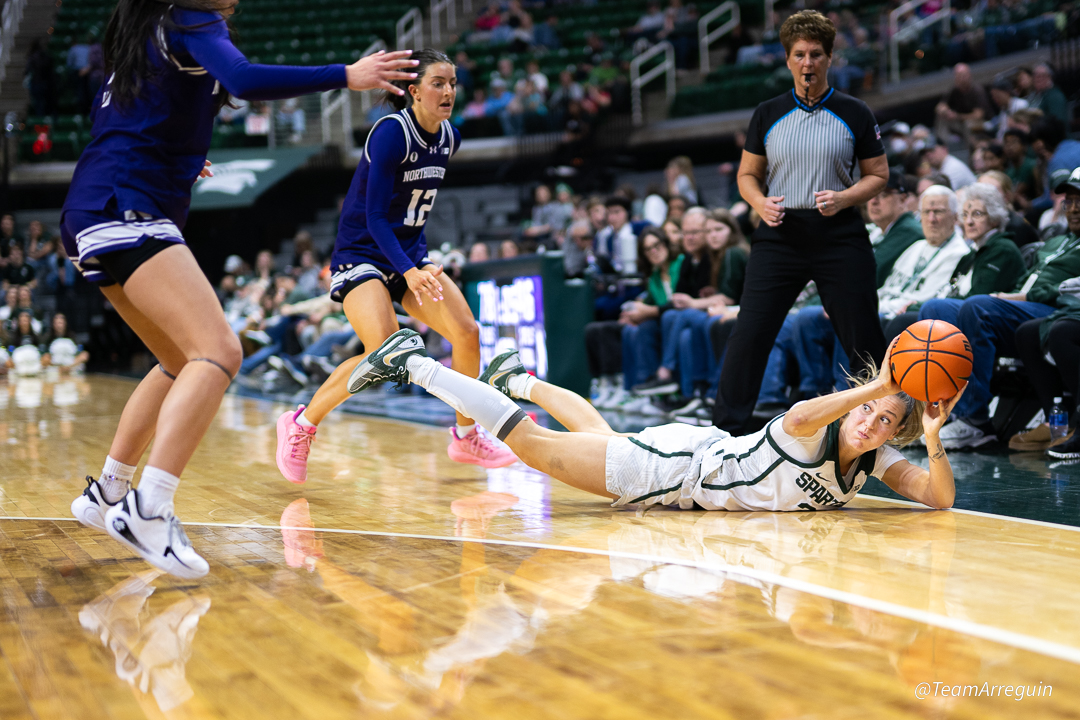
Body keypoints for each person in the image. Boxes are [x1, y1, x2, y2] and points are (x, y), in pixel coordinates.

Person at [63, 0, 418, 580]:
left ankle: (108, 493)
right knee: (221, 352)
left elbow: (136, 121)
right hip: (129, 206)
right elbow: (245, 80)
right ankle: (148, 508)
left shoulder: (143, 33)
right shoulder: (186, 17)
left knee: (178, 360)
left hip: (90, 209)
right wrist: (346, 76)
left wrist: (182, 160)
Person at [349, 330, 961, 511]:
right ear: (855, 402)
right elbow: (800, 413)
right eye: (869, 411)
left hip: (698, 452)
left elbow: (937, 498)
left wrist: (931, 440)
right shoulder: (819, 424)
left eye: (886, 422)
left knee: (597, 438)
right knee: (535, 448)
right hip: (679, 469)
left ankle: (517, 379)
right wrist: (882, 384)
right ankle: (416, 365)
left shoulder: (875, 458)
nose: (872, 425)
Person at [276, 49, 517, 486]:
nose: (448, 92)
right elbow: (374, 218)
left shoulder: (449, 137)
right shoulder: (391, 133)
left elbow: (411, 211)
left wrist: (414, 262)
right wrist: (409, 270)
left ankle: (466, 435)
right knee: (382, 352)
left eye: (453, 83)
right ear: (414, 91)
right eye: (438, 83)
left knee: (467, 332)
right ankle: (301, 424)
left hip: (409, 255)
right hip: (363, 253)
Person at [713, 10, 889, 436]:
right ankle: (724, 432)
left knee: (863, 335)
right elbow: (747, 176)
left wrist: (844, 197)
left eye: (815, 54)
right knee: (750, 332)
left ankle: (886, 425)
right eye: (798, 55)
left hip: (839, 234)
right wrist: (759, 204)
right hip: (780, 236)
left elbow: (879, 175)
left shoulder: (855, 111)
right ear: (787, 59)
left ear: (830, 58)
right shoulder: (767, 113)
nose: (807, 63)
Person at [918, 170, 1080, 449]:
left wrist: (1019, 295)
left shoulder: (1003, 247)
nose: (1073, 209)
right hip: (1023, 305)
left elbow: (1064, 290)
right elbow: (1026, 278)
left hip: (1053, 309)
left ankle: (975, 420)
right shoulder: (1056, 242)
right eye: (1069, 202)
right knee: (936, 308)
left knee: (978, 306)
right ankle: (943, 412)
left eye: (1079, 202)